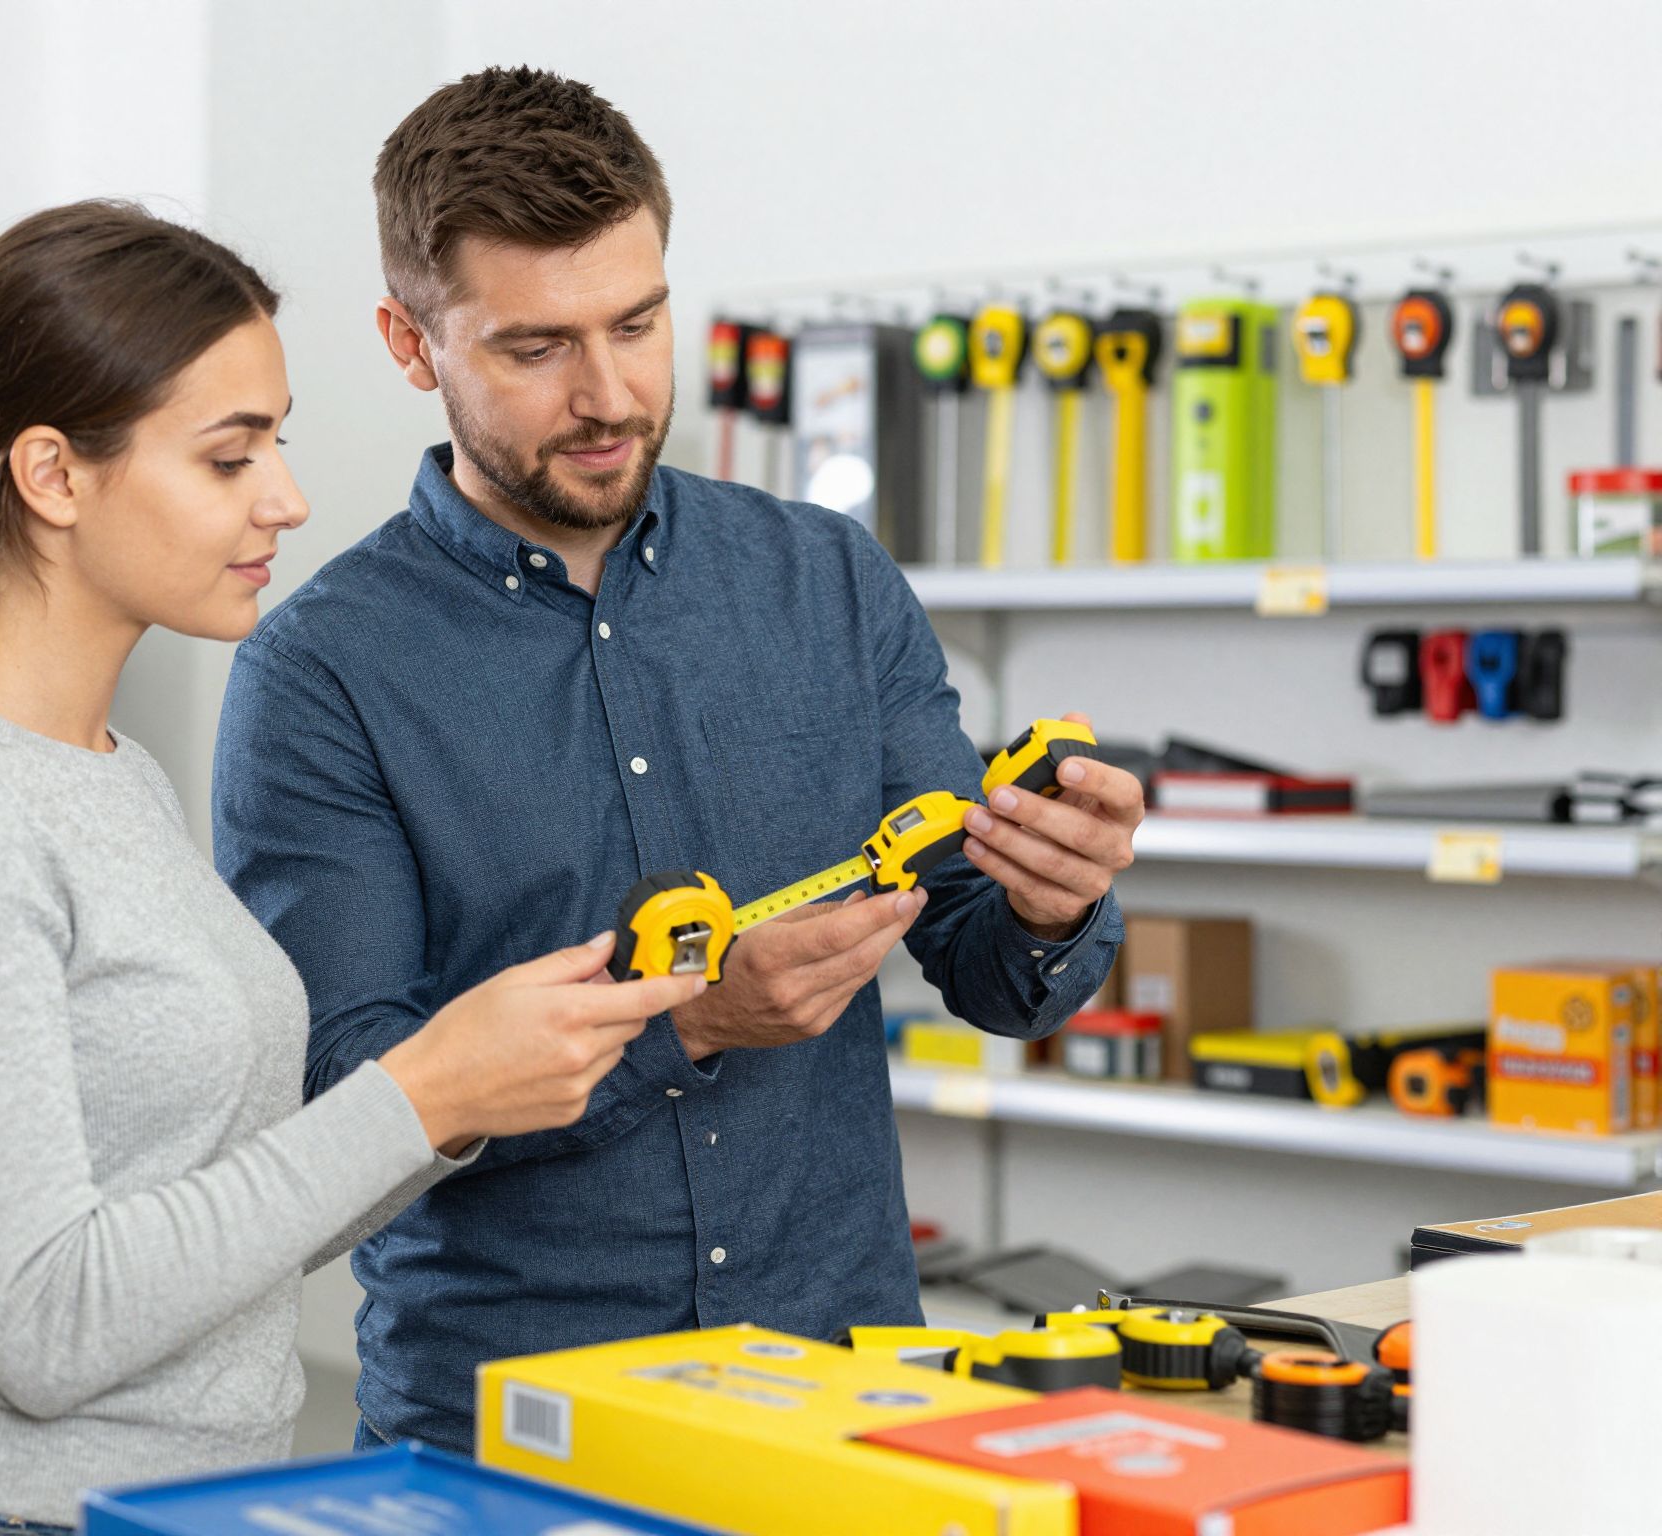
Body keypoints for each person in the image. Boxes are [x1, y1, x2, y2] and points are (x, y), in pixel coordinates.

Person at [0, 199, 704, 1536]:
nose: (288, 499)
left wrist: (481, 1081)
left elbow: (212, 1234)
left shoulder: (107, 773)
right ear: (55, 476)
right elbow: (44, 1324)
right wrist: (419, 1092)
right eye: (231, 456)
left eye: (278, 446)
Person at [211, 68, 1143, 1457]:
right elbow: (352, 1100)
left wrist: (1051, 898)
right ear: (412, 343)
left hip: (840, 1393)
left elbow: (990, 963)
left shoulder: (826, 578)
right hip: (511, 1429)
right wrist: (684, 1029)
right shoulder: (321, 672)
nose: (607, 395)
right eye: (535, 348)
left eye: (637, 325)